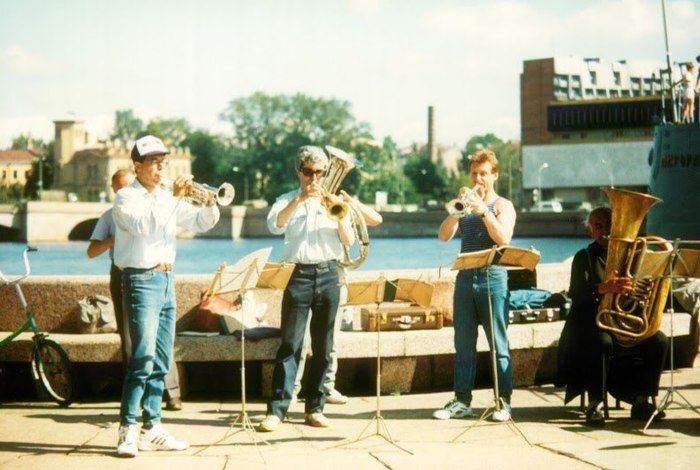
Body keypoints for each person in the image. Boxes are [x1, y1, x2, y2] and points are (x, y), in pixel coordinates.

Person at [113, 135, 220, 457]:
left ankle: (152, 427)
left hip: (166, 278)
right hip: (141, 279)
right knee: (142, 359)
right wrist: (173, 197)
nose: (161, 168)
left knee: (161, 360)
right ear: (137, 166)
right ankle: (127, 430)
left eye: (163, 161)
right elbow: (143, 225)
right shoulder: (126, 197)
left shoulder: (166, 196)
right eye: (154, 162)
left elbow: (201, 222)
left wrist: (210, 202)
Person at [259, 145, 354, 432]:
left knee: (324, 347)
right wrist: (300, 199)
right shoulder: (286, 200)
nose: (314, 178)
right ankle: (278, 410)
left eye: (320, 173)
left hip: (328, 273)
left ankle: (315, 407)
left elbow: (349, 241)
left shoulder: (334, 201)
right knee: (290, 344)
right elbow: (274, 225)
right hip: (297, 274)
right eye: (309, 172)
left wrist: (337, 214)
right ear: (299, 171)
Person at [557, 207, 669, 427]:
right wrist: (603, 288)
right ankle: (595, 404)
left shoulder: (633, 257)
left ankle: (642, 401)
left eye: (609, 225)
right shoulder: (583, 257)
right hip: (591, 323)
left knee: (660, 340)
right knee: (602, 341)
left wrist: (638, 293)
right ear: (590, 231)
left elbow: (644, 291)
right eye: (598, 226)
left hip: (624, 321)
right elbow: (576, 296)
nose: (605, 230)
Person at [87, 169, 184, 413]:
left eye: (129, 185)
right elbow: (91, 251)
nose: (125, 190)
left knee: (161, 338)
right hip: (124, 273)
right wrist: (115, 239)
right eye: (120, 187)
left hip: (155, 272)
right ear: (113, 190)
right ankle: (136, 401)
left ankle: (171, 393)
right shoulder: (110, 215)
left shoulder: (156, 205)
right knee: (132, 339)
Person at [433, 149, 517, 422]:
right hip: (466, 278)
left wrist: (484, 212)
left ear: (495, 175)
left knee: (498, 344)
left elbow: (503, 238)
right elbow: (443, 236)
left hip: (493, 278)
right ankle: (462, 401)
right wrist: (458, 209)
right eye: (474, 174)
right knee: (463, 344)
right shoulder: (466, 205)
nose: (478, 179)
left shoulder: (503, 205)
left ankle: (503, 402)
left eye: (483, 174)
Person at [292, 189, 383, 405]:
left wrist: (352, 203)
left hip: (336, 272)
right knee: (301, 338)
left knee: (331, 336)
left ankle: (327, 386)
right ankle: (293, 388)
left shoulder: (340, 204)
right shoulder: (308, 204)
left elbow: (376, 219)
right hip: (312, 269)